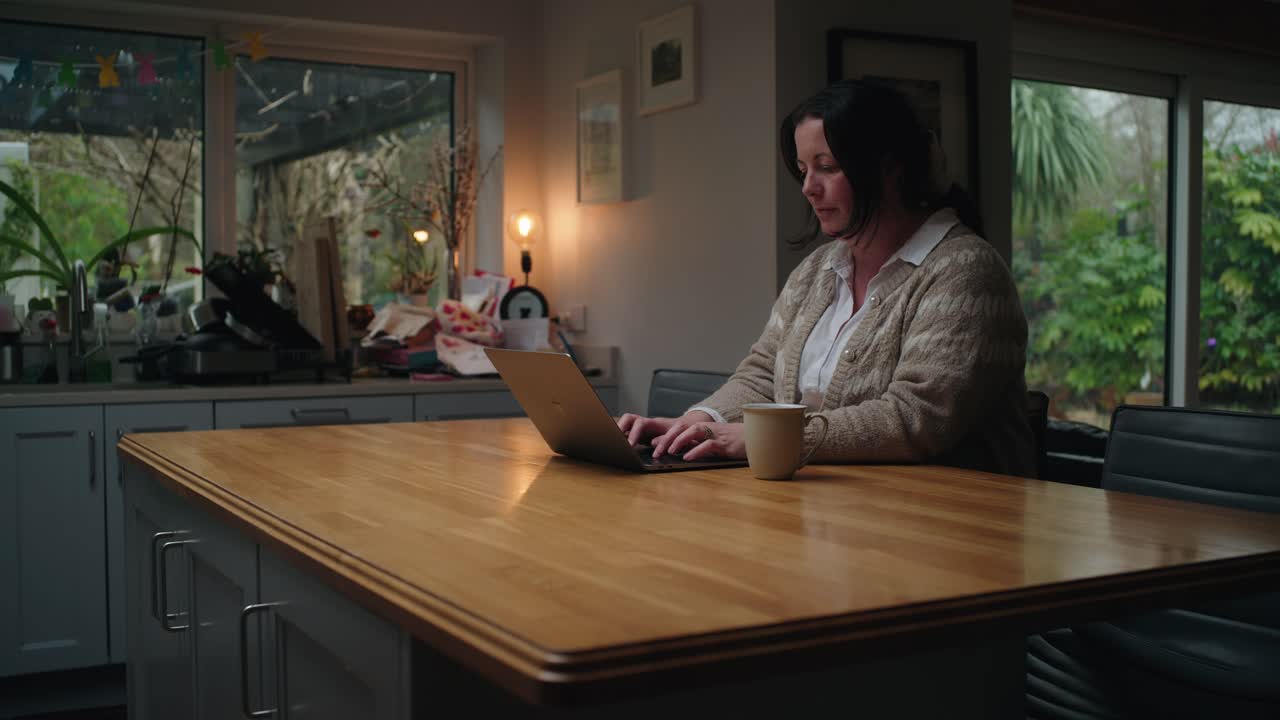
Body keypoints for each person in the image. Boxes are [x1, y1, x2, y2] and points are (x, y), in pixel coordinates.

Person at [618, 79, 1036, 477]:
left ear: (889, 169)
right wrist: (691, 424)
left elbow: (917, 416)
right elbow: (762, 375)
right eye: (803, 169)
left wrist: (767, 439)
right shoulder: (818, 269)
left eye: (827, 167)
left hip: (952, 524)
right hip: (833, 514)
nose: (808, 188)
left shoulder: (965, 272)